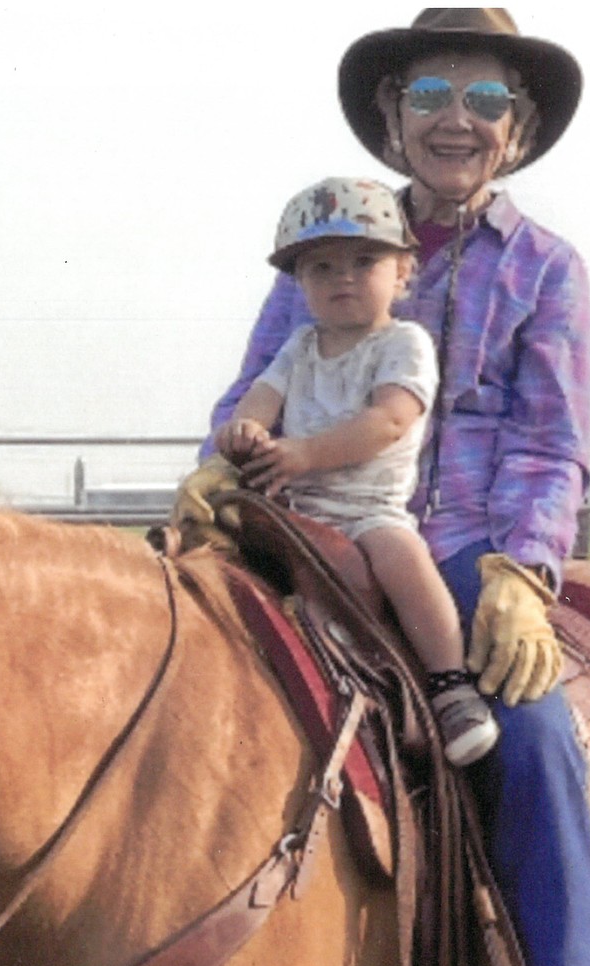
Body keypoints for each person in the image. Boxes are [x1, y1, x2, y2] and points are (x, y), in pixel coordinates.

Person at [179, 8, 590, 966]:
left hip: (459, 538)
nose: (455, 117)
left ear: (515, 131)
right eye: (430, 92)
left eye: (482, 97)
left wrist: (522, 571)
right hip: (307, 520)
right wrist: (227, 459)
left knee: (533, 738)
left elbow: (550, 439)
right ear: (392, 117)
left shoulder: (547, 270)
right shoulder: (330, 238)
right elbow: (256, 380)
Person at [217, 176, 498, 767]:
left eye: (364, 261)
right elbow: (260, 397)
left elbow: (389, 420)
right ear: (300, 284)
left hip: (368, 508)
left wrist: (304, 454)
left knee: (403, 561)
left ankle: (450, 684)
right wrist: (241, 432)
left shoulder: (404, 344)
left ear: (402, 273)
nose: (342, 278)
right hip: (293, 506)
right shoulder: (300, 346)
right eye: (320, 268)